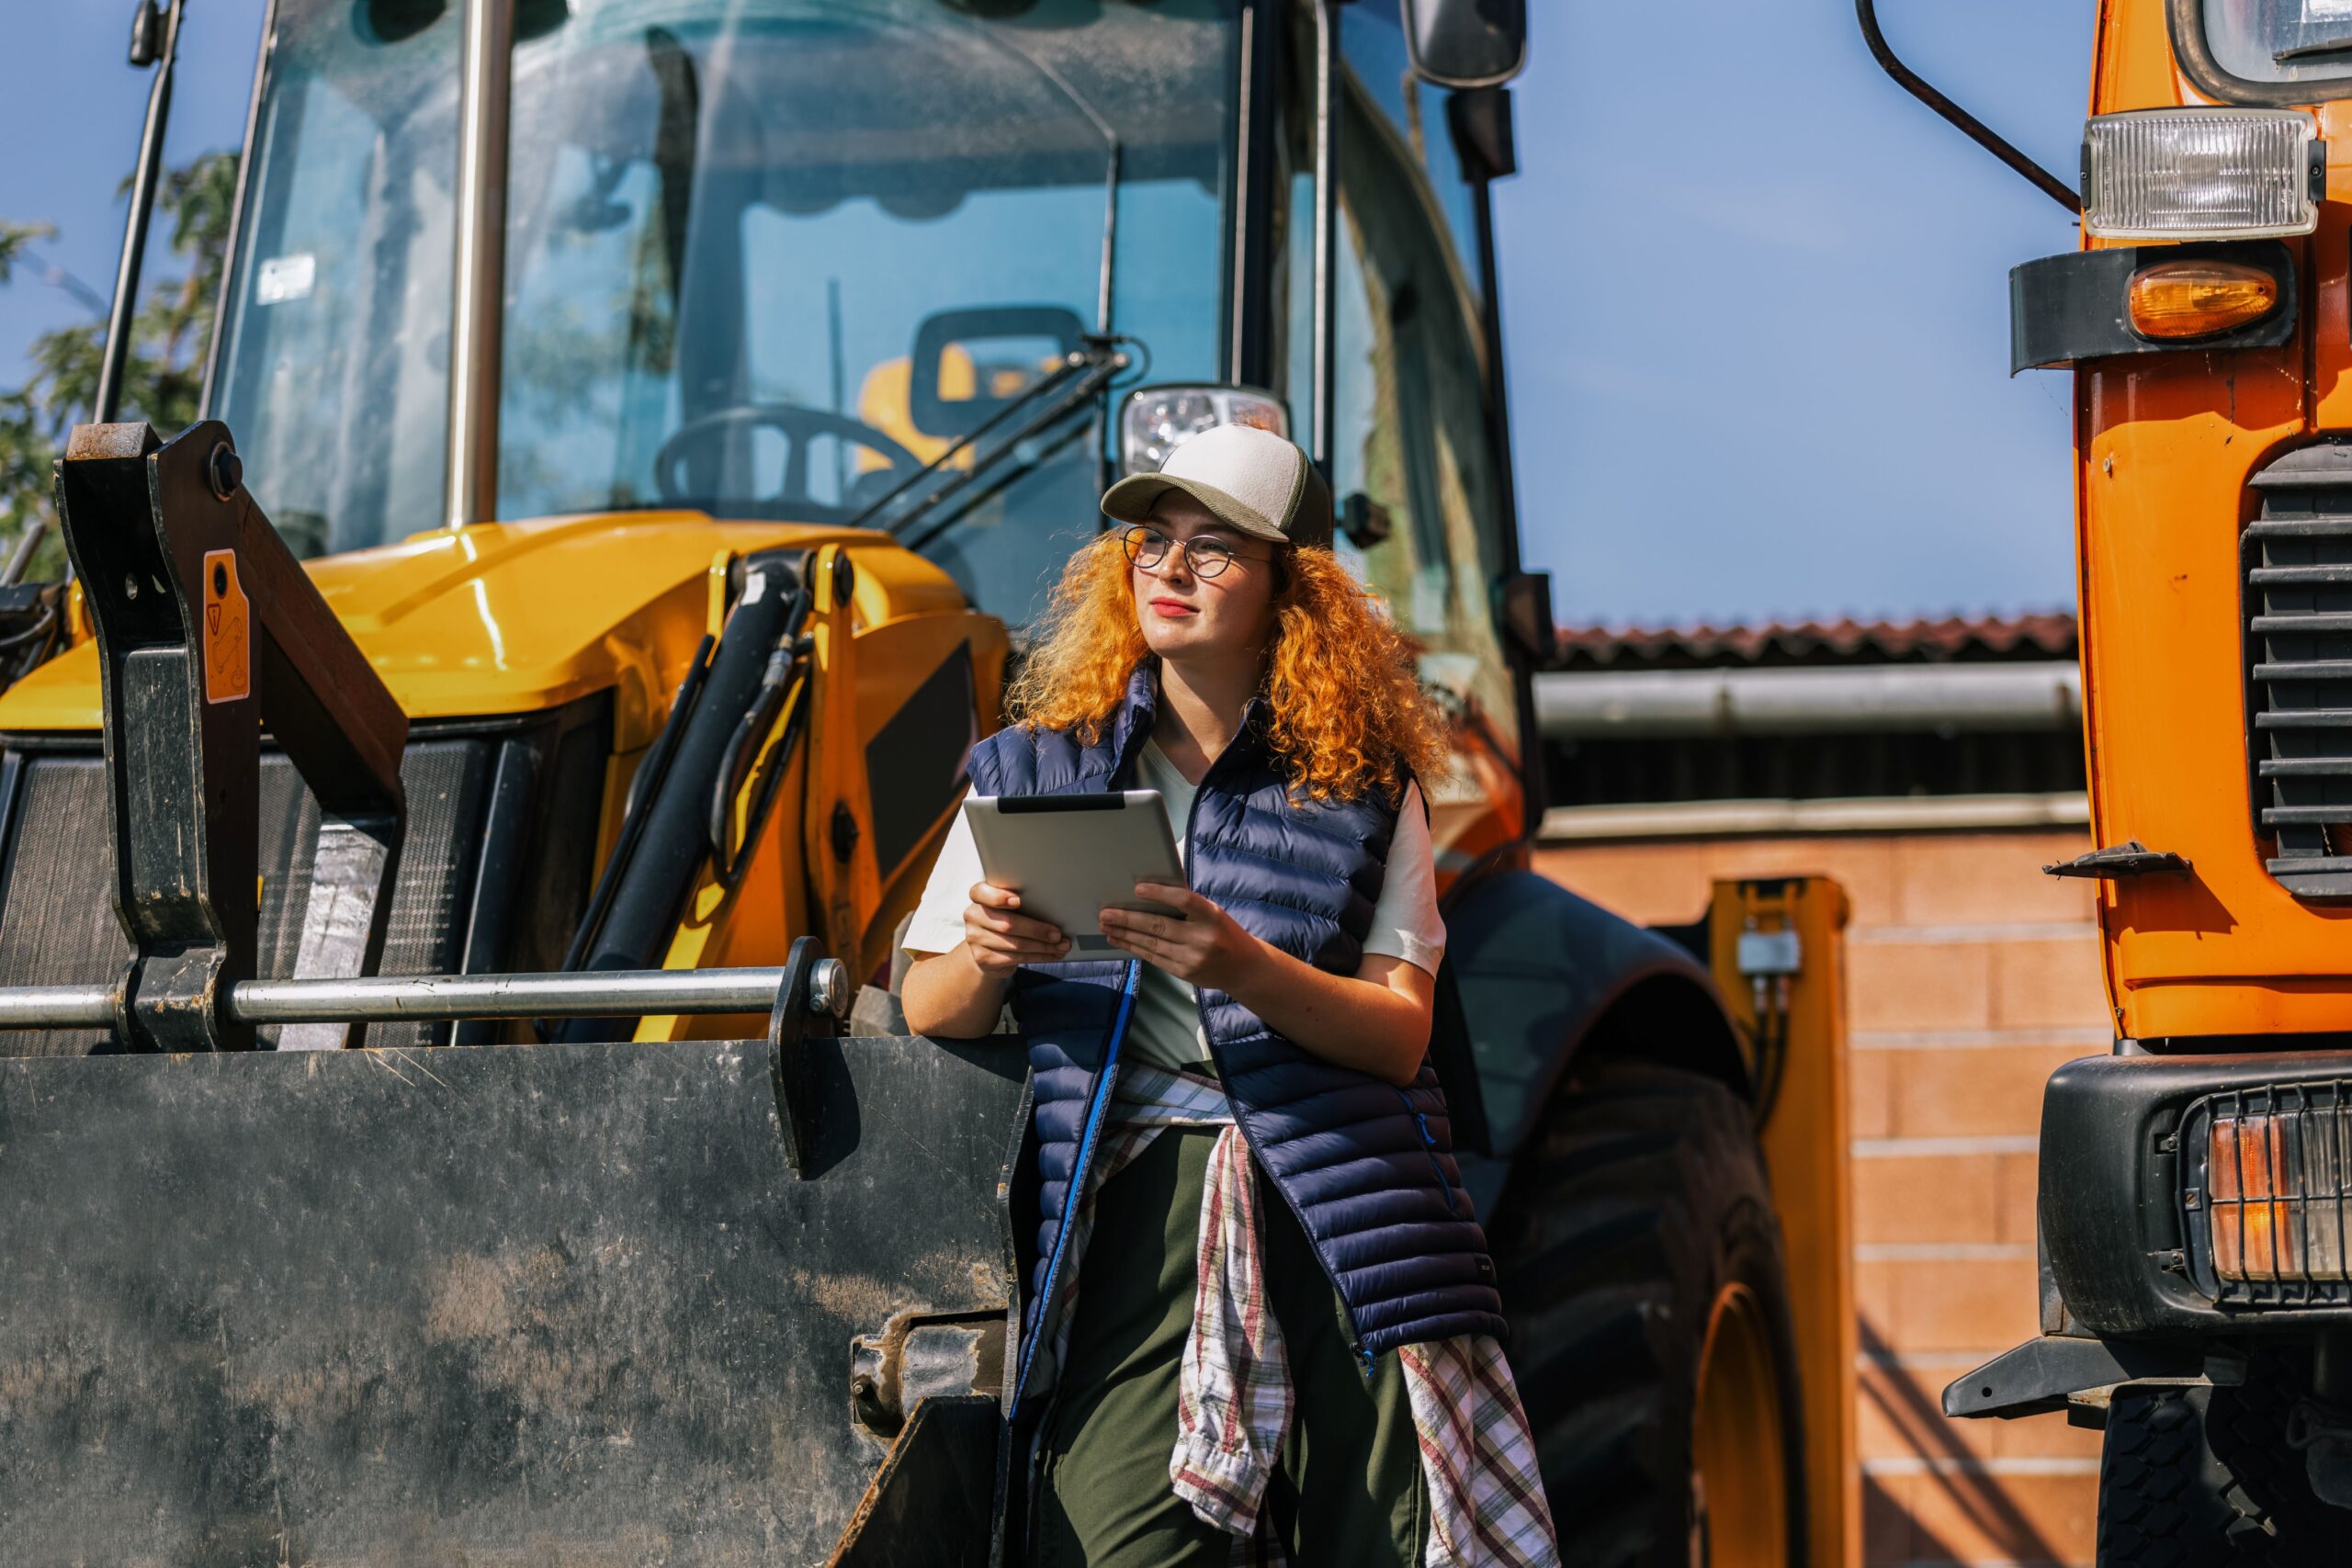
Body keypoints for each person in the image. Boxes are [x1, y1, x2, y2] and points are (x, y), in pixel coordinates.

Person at [900, 425, 1558, 1567]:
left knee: (1381, 1545)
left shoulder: (1366, 786)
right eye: (1151, 542)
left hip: (1347, 1203)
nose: (1169, 568)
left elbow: (1399, 1036)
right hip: (1134, 1201)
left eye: (1212, 547)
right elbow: (926, 1006)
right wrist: (989, 953)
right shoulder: (1029, 766)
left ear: (1291, 591)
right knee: (1113, 1546)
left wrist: (1240, 964)